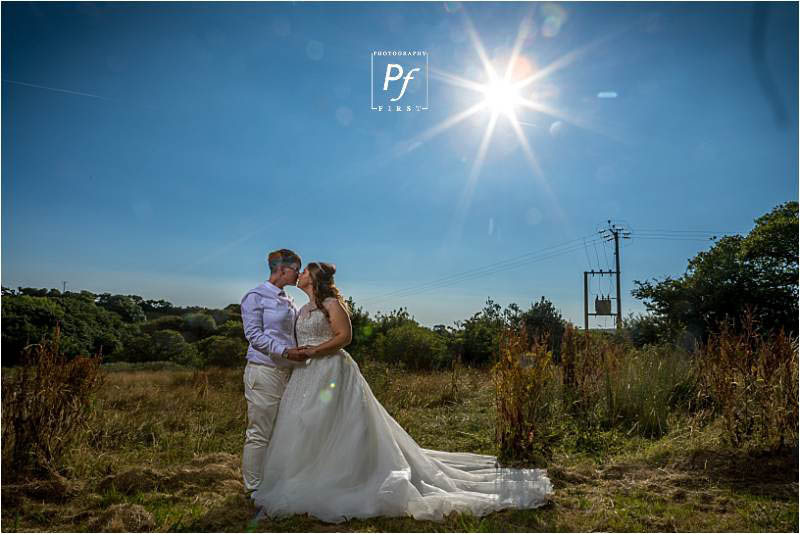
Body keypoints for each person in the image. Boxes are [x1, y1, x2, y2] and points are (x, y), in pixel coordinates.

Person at [251, 262, 553, 523]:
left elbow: (345, 337)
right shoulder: (302, 307)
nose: (300, 273)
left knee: (338, 424)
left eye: (305, 271)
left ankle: (348, 475)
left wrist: (315, 349)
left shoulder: (331, 304)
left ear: (314, 278)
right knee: (306, 424)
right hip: (306, 374)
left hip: (331, 370)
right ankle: (305, 474)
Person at [239, 248, 308, 496]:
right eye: (295, 270)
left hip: (288, 373)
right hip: (264, 370)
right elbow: (254, 336)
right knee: (260, 431)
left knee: (282, 430)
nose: (298, 274)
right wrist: (286, 352)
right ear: (281, 270)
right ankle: (253, 490)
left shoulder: (288, 299)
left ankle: (273, 481)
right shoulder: (255, 297)